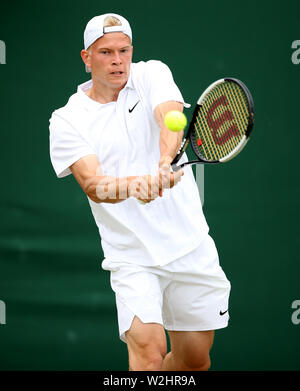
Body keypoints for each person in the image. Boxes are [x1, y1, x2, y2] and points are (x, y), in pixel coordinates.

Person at [49, 13, 231, 371]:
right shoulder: (67, 120)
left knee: (194, 361)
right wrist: (135, 185)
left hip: (189, 247)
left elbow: (170, 115)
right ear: (86, 57)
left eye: (123, 50)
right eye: (105, 53)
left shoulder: (152, 74)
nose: (117, 60)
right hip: (131, 257)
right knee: (147, 353)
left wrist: (165, 160)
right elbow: (93, 184)